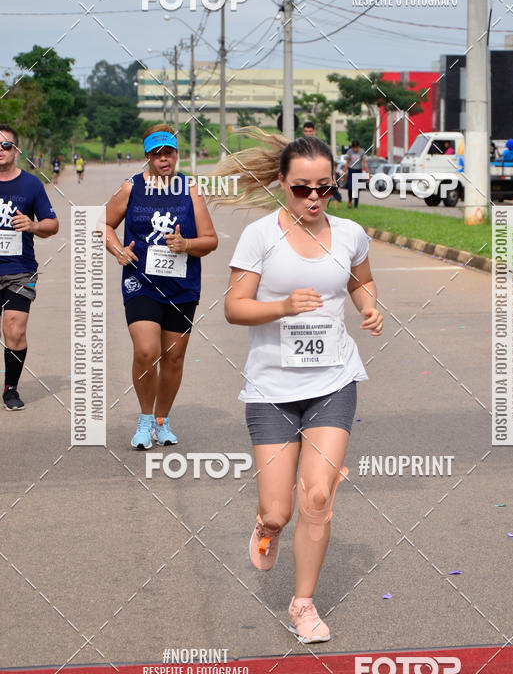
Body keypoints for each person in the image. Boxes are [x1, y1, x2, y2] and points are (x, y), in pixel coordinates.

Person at [218, 130, 383, 644]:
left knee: (317, 496)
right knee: (279, 509)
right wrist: (283, 307)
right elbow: (233, 307)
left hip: (334, 381)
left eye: (324, 188)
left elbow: (360, 281)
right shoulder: (260, 236)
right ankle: (267, 528)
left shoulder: (352, 233)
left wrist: (369, 307)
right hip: (271, 387)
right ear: (282, 186)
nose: (313, 198)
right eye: (301, 189)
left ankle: (304, 603)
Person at [104, 123, 218, 448]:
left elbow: (210, 241)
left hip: (182, 286)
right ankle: (143, 420)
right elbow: (106, 225)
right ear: (147, 157)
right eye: (156, 154)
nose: (163, 159)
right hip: (140, 282)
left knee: (174, 358)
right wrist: (117, 249)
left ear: (176, 155)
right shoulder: (131, 188)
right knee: (146, 351)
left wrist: (187, 245)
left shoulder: (190, 189)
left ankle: (161, 420)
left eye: (168, 153)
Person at [0, 125, 59, 410]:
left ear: (17, 150)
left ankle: (10, 388)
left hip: (19, 268)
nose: (0, 150)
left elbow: (52, 224)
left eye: (5, 146)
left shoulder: (32, 185)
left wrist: (33, 225)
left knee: (14, 329)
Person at [344, 139, 370, 209]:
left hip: (358, 171)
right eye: (354, 148)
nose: (355, 149)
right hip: (351, 170)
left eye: (356, 147)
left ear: (359, 146)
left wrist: (368, 174)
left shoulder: (362, 152)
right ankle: (349, 201)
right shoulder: (349, 152)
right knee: (350, 188)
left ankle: (355, 205)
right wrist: (344, 172)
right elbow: (347, 162)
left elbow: (365, 163)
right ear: (352, 147)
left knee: (356, 189)